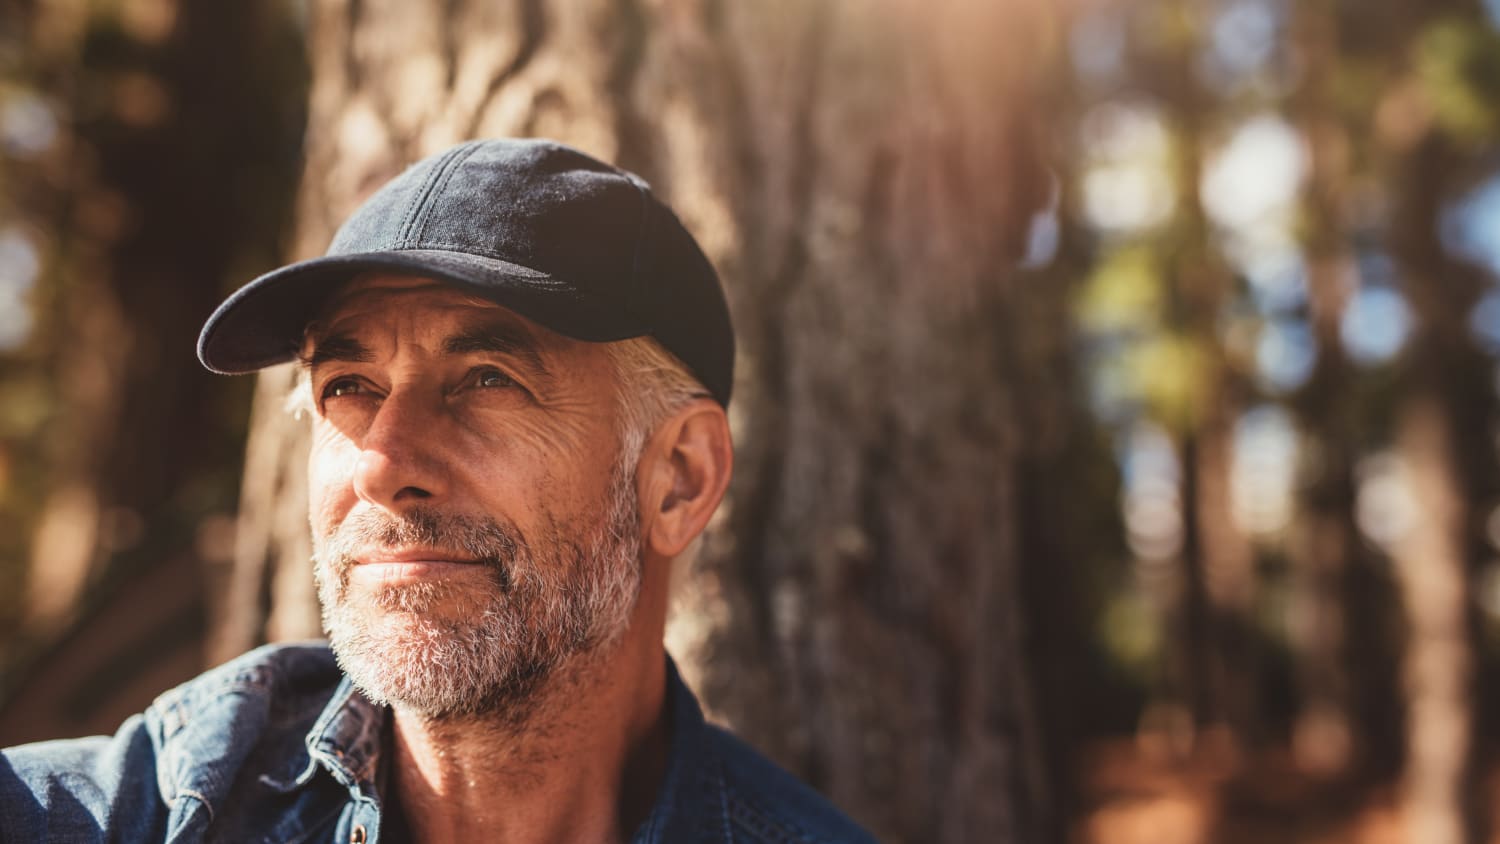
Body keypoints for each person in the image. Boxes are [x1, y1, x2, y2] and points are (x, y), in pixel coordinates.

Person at [0, 138, 875, 843]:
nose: (383, 463)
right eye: (348, 386)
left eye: (488, 378)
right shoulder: (157, 809)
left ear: (680, 479)